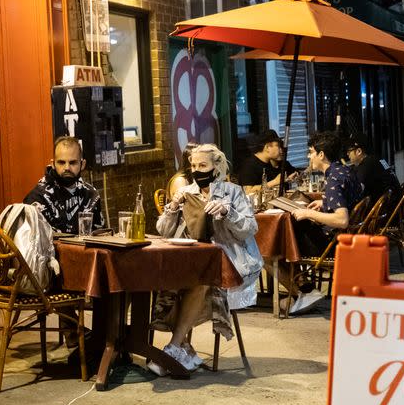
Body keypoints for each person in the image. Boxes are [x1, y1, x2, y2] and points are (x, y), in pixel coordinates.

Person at [151, 144, 263, 375]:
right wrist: (172, 207)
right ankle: (185, 351)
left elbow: (250, 228)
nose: (197, 170)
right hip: (192, 260)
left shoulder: (232, 191)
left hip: (230, 263)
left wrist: (226, 212)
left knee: (201, 282)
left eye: (203, 165)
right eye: (193, 165)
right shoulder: (187, 193)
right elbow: (162, 231)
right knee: (166, 280)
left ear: (216, 166)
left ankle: (174, 347)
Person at [280, 131, 362, 314]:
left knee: (276, 244)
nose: (309, 157)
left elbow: (341, 219)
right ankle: (304, 289)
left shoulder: (333, 178)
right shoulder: (344, 170)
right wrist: (324, 202)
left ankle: (303, 292)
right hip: (348, 240)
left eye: (311, 152)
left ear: (321, 154)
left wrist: (307, 212)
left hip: (332, 244)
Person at [24, 136, 104, 234]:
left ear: (82, 164)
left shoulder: (91, 195)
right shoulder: (38, 198)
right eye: (61, 162)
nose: (67, 168)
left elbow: (102, 234)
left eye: (73, 163)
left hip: (89, 249)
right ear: (53, 164)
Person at [344, 133, 402, 206]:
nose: (347, 154)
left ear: (359, 151)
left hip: (385, 210)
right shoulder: (379, 159)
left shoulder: (367, 164)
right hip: (395, 205)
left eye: (349, 151)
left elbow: (356, 189)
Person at [238, 129, 297, 194]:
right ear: (267, 147)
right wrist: (274, 182)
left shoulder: (270, 163)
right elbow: (248, 191)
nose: (281, 150)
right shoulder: (249, 166)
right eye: (278, 146)